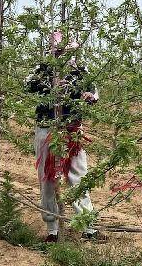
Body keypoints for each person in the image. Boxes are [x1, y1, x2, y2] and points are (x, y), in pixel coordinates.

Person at [26, 31, 101, 242]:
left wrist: (89, 97)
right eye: (60, 51)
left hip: (72, 130)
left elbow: (94, 92)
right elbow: (28, 84)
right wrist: (50, 85)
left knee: (78, 177)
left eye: (69, 52)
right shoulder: (42, 69)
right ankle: (52, 229)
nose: (65, 56)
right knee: (47, 178)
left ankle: (88, 227)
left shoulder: (81, 71)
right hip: (47, 130)